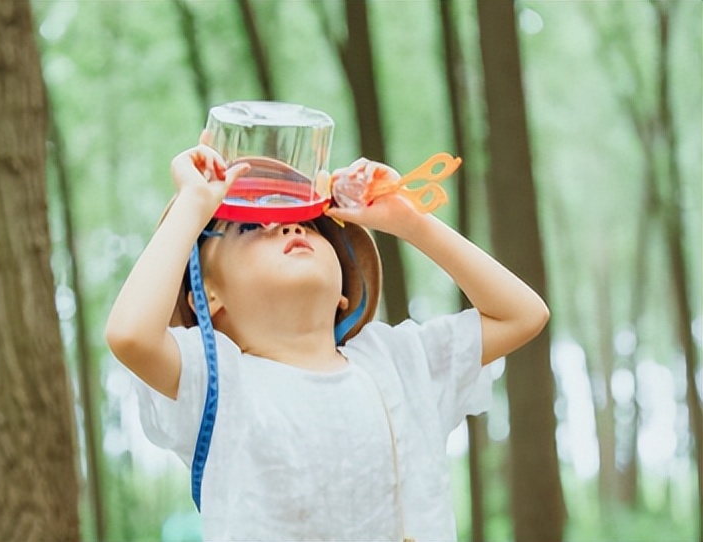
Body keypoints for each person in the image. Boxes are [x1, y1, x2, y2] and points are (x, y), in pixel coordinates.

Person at [105, 103, 549, 541]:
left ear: (342, 291)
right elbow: (129, 335)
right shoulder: (217, 377)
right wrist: (193, 203)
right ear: (208, 297)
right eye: (248, 227)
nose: (289, 229)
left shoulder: (396, 362)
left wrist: (412, 223)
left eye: (308, 225)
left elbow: (523, 314)